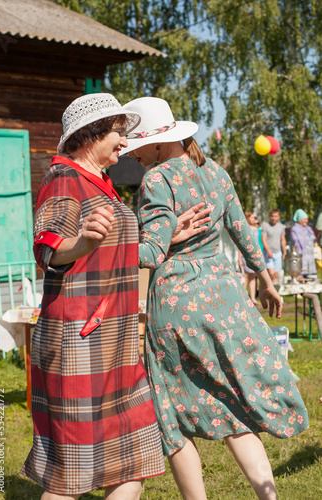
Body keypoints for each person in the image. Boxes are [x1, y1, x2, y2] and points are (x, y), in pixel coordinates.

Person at [122, 96, 309, 500]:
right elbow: (243, 232)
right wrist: (267, 280)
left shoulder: (157, 180)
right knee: (233, 407)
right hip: (225, 297)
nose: (133, 154)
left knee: (169, 410)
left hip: (176, 304)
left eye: (136, 144)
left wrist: (106, 245)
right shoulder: (218, 173)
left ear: (157, 143)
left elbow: (151, 253)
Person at [21, 93, 171, 500]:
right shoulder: (64, 178)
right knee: (72, 478)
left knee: (133, 461)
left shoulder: (102, 185)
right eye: (119, 133)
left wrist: (174, 236)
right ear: (91, 134)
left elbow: (116, 249)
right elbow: (47, 246)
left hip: (117, 342)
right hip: (80, 343)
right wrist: (81, 242)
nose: (125, 143)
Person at [238, 211, 259, 304]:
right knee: (246, 276)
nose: (253, 219)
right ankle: (244, 297)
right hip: (246, 254)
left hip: (254, 254)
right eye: (251, 217)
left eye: (254, 217)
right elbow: (241, 243)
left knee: (253, 277)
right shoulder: (245, 229)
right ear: (247, 218)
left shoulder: (256, 228)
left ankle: (253, 297)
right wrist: (239, 258)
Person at [261, 209, 287, 284]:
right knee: (271, 274)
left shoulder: (281, 227)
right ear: (270, 216)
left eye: (275, 216)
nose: (274, 218)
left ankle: (276, 292)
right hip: (268, 253)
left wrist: (284, 251)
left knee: (276, 274)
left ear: (278, 217)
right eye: (272, 216)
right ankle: (270, 291)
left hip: (278, 253)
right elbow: (264, 240)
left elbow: (283, 239)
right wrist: (268, 251)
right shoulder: (266, 226)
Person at [290, 209, 317, 276]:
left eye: (307, 219)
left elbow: (313, 237)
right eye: (305, 219)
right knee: (301, 272)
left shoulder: (308, 228)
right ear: (299, 220)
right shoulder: (295, 229)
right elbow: (295, 240)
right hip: (301, 253)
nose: (307, 221)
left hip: (310, 254)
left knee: (310, 272)